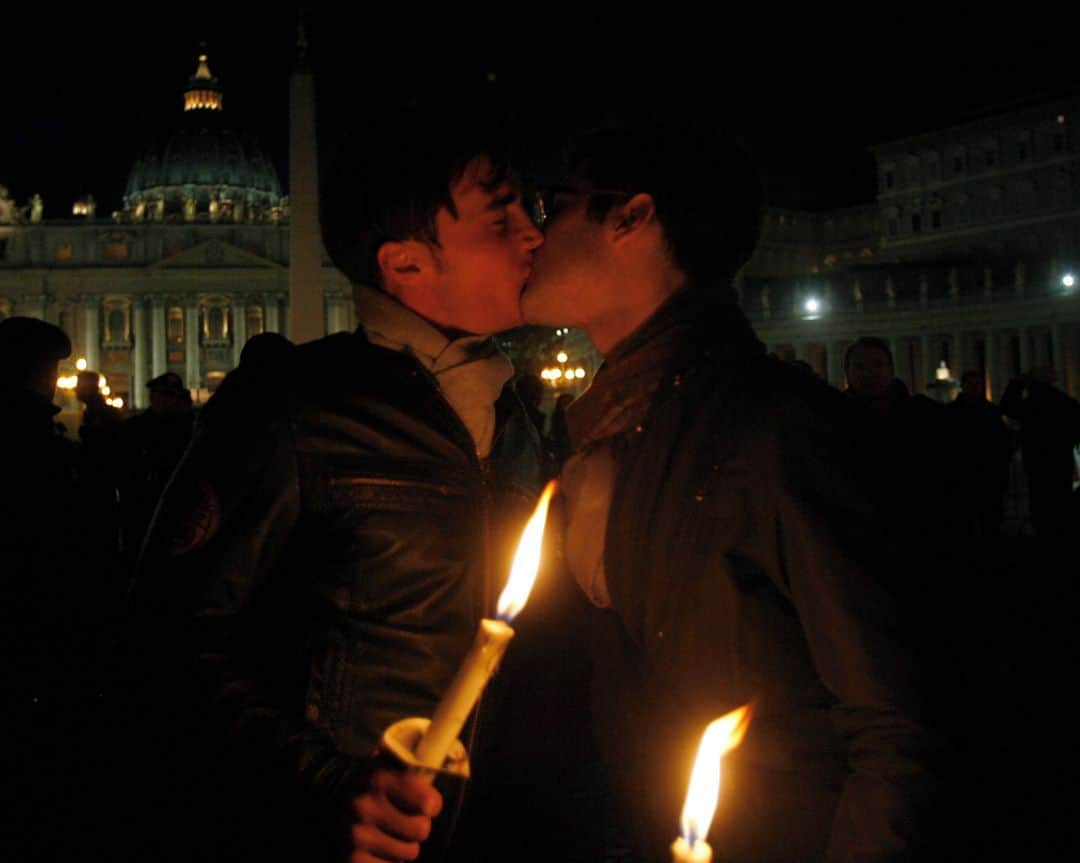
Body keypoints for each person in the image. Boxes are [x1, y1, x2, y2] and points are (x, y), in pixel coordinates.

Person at [131, 103, 545, 863]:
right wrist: (329, 785)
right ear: (406, 262)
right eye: (501, 216)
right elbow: (169, 636)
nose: (535, 234)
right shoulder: (288, 408)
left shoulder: (517, 417)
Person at [520, 125, 940, 863]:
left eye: (555, 204)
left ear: (632, 218)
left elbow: (896, 723)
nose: (533, 231)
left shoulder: (774, 429)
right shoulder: (618, 420)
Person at [1000, 365, 1080, 542]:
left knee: (1041, 506)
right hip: (1061, 460)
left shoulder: (1031, 404)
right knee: (1061, 503)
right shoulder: (1064, 402)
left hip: (1036, 460)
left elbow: (1006, 406)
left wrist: (1016, 384)